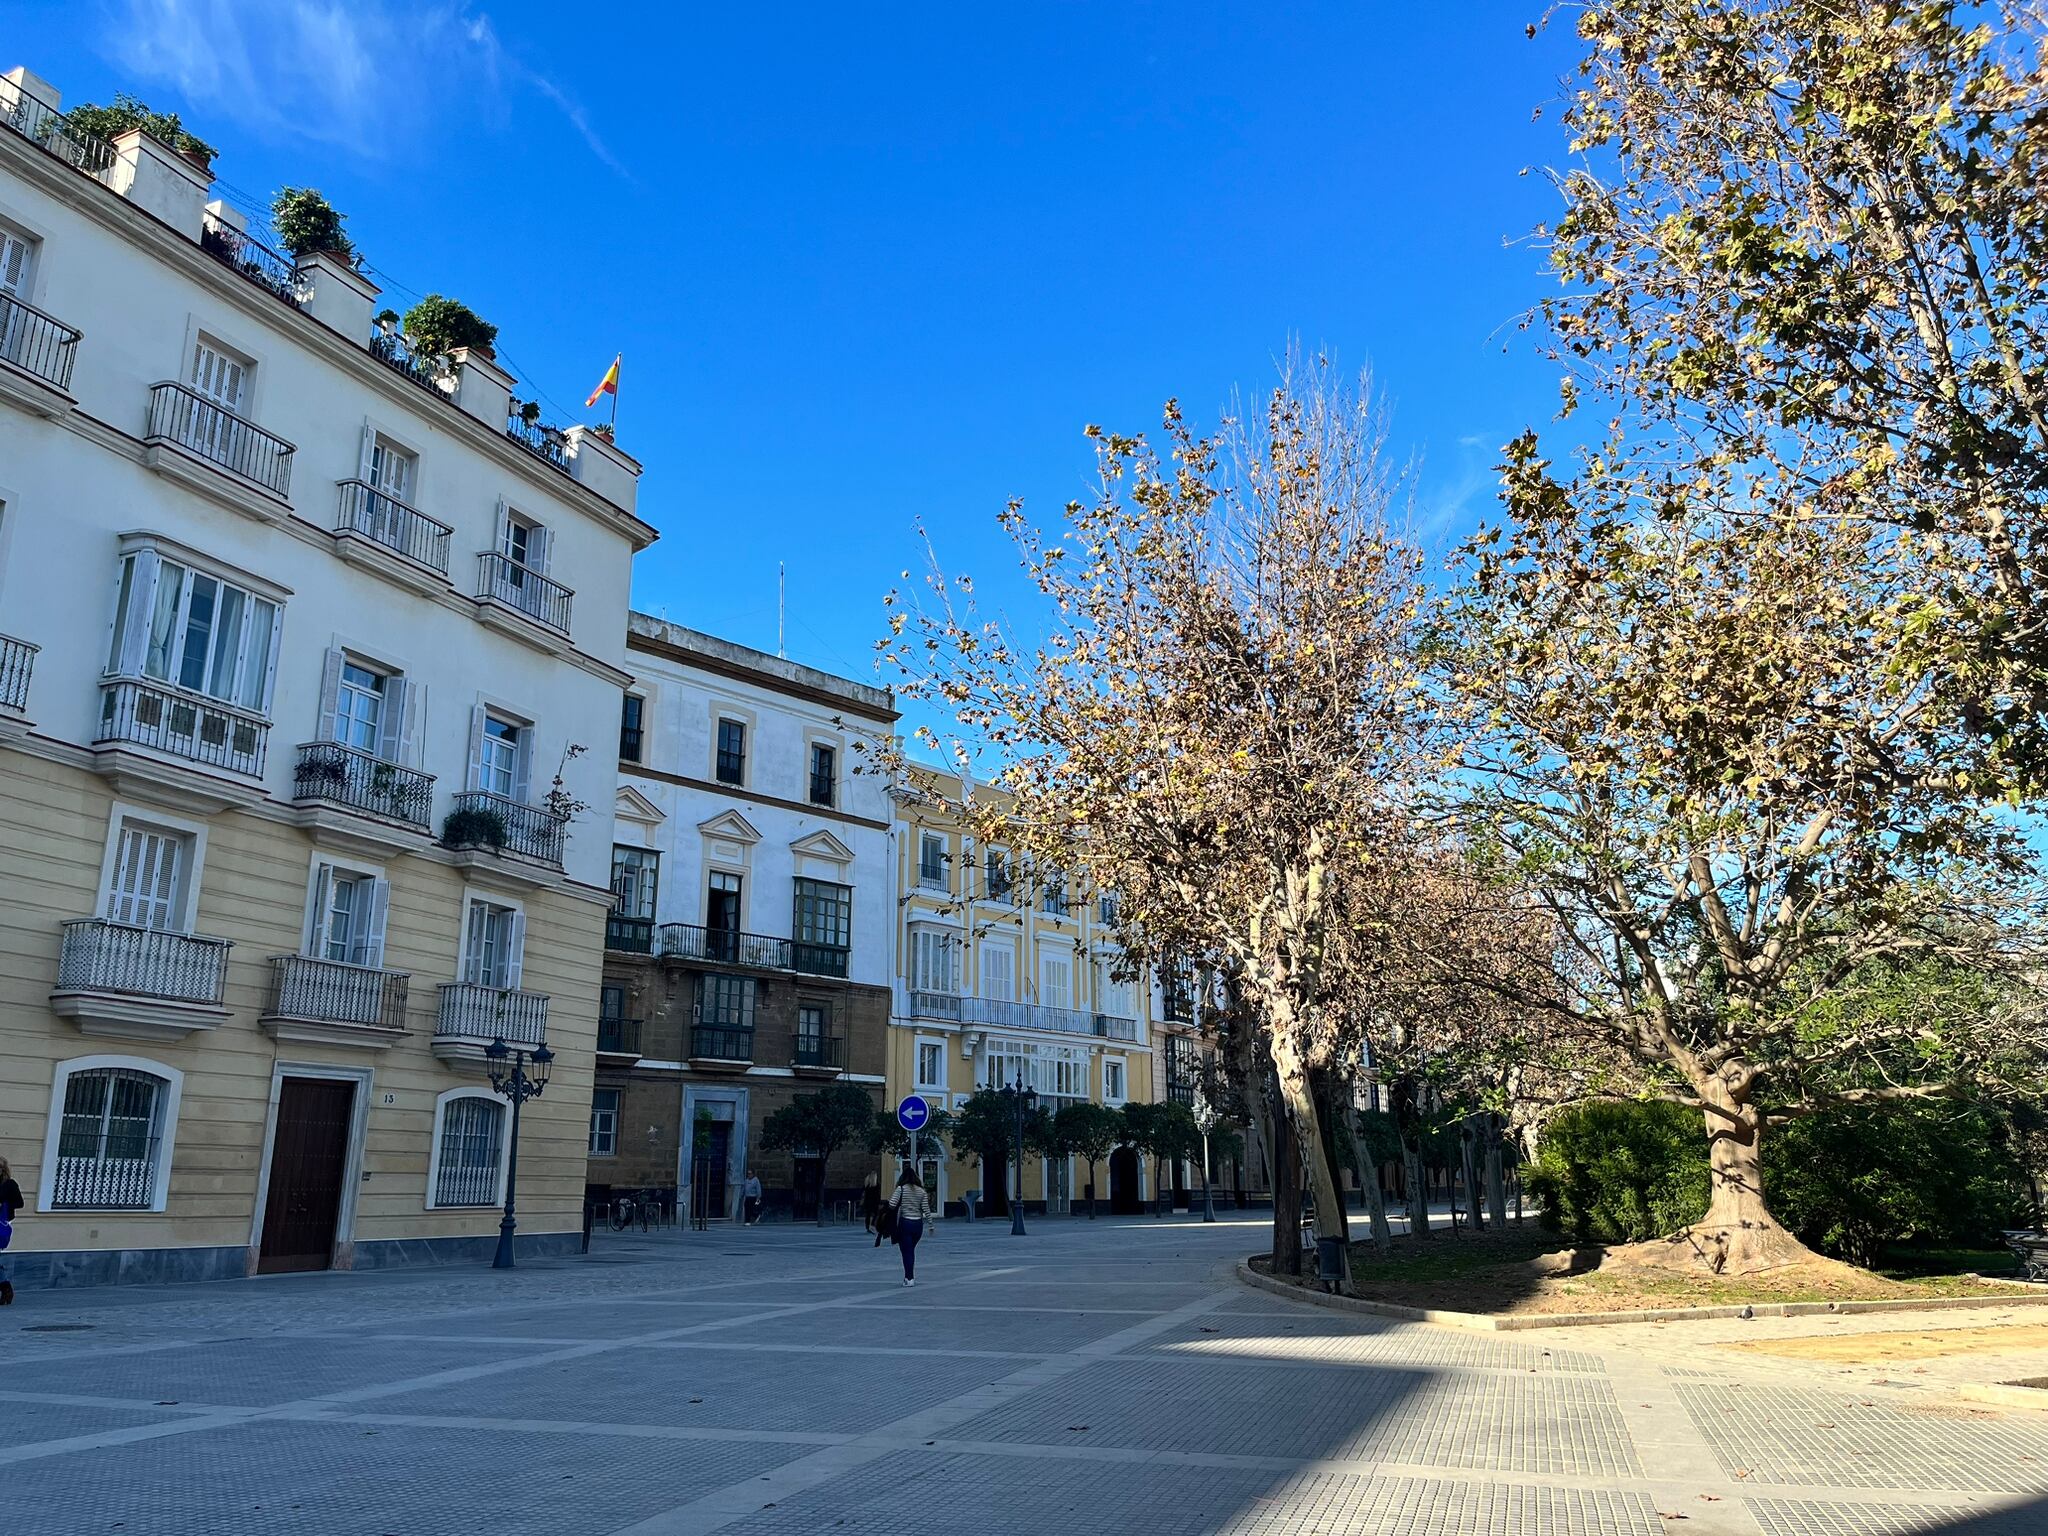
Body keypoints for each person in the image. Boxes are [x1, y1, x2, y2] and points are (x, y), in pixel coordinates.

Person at [886, 1166, 932, 1286]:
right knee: (910, 1250)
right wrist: (931, 1225)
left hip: (905, 1223)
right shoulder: (921, 1191)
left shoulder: (901, 1189)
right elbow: (926, 1209)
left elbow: (891, 1204)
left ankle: (909, 1278)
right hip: (918, 1225)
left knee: (907, 1252)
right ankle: (908, 1277)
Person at [0, 1154, 22, 1306]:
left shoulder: (10, 1185)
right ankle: (5, 1287)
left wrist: (3, 1204)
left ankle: (5, 1287)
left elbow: (19, 1203)